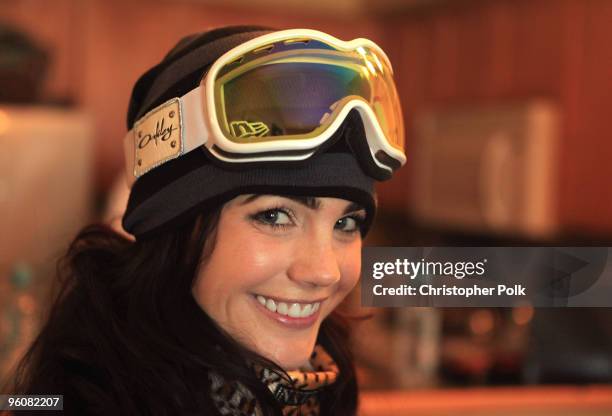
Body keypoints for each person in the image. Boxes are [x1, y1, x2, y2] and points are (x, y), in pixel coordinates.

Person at [4, 25, 406, 415]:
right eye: (275, 215)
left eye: (346, 224)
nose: (324, 272)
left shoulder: (320, 388)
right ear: (177, 227)